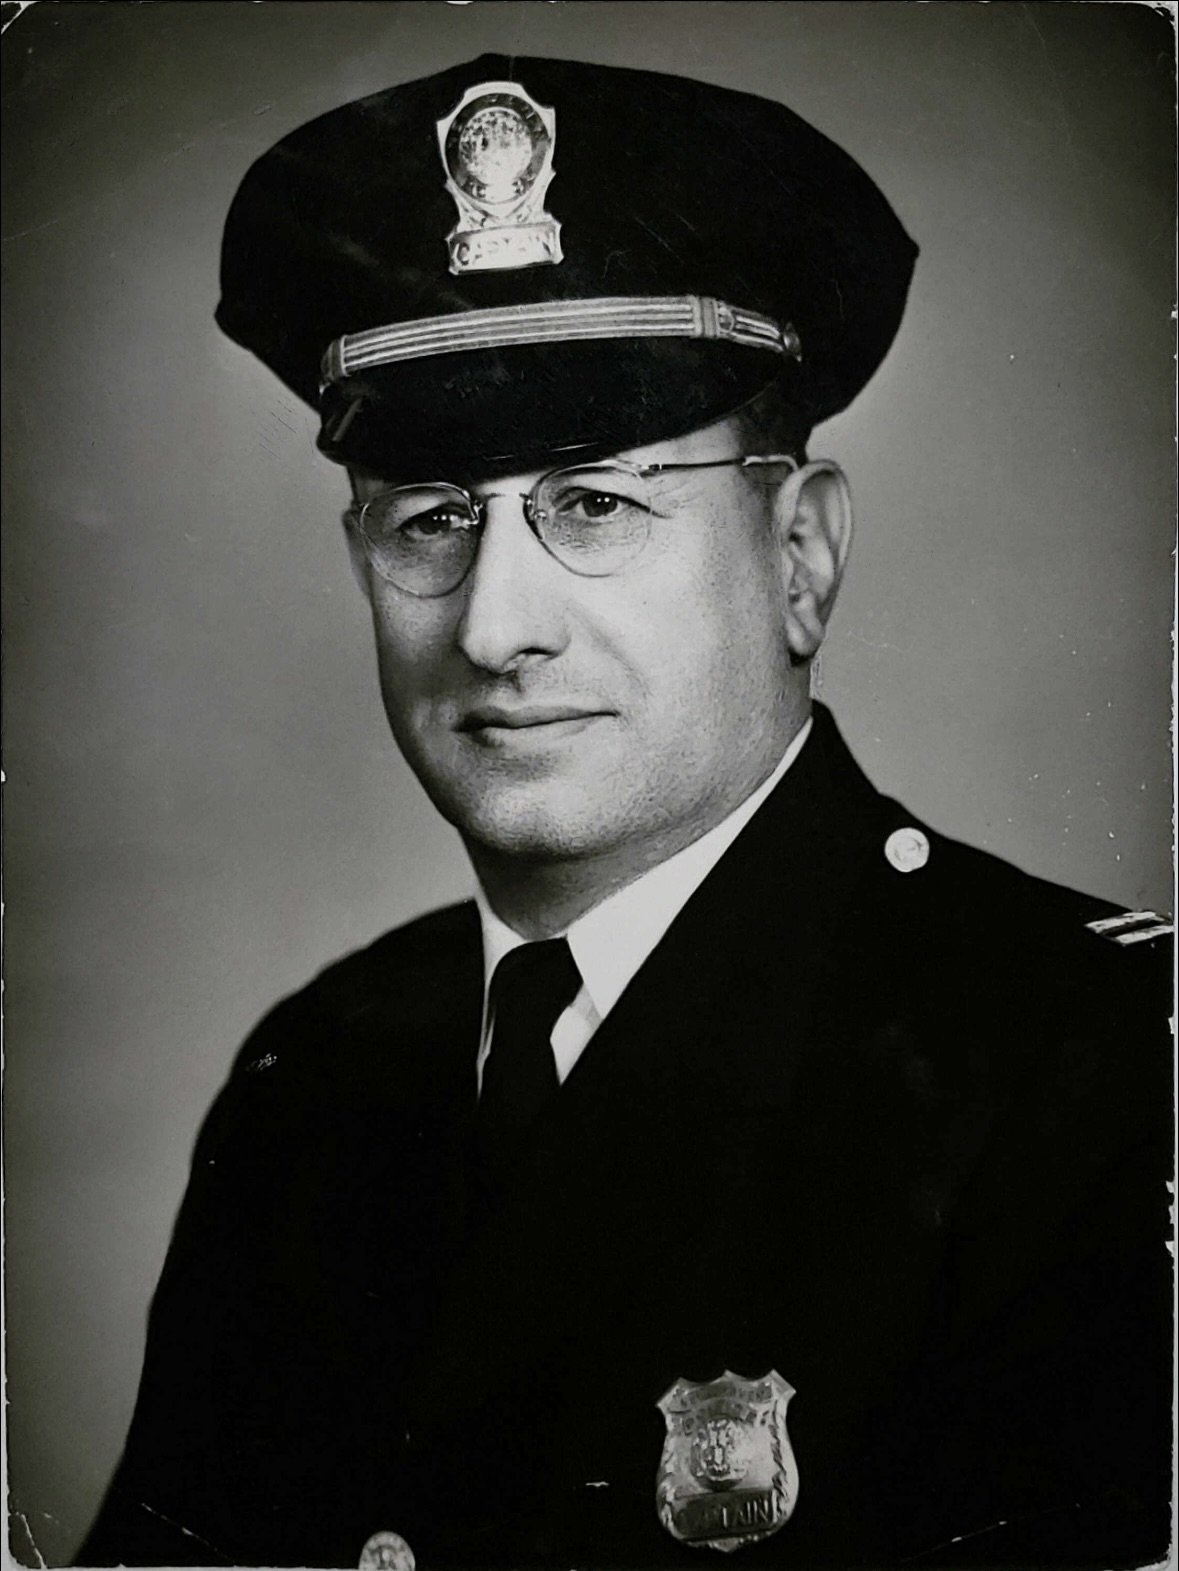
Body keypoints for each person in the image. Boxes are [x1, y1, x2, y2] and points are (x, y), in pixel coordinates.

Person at [77, 53, 1172, 1571]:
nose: (492, 625)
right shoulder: (315, 1075)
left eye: (595, 499)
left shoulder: (1093, 1073)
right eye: (434, 520)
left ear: (801, 556)